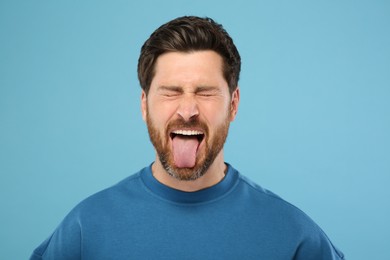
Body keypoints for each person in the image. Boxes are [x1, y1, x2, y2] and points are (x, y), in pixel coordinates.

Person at [30, 16, 344, 259]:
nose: (188, 110)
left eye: (205, 92)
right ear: (144, 105)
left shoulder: (293, 235)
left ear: (233, 105)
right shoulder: (86, 228)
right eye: (171, 92)